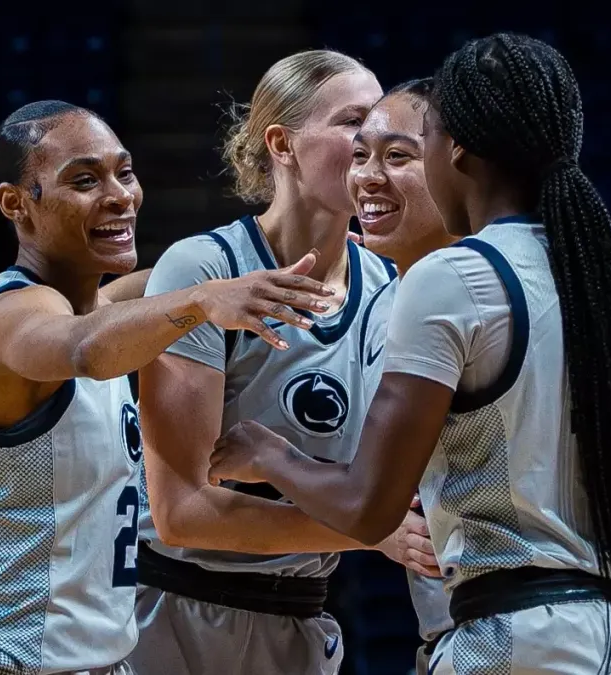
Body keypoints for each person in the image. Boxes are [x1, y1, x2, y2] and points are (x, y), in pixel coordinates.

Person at [208, 34, 611, 675]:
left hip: (513, 641)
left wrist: (266, 451)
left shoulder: (451, 279)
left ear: (455, 149)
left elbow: (369, 506)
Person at [0, 100, 332, 675]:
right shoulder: (10, 314)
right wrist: (203, 300)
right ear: (16, 203)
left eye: (124, 172)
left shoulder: (100, 307)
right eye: (84, 179)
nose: (119, 195)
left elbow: (172, 281)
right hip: (7, 662)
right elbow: (85, 349)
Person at [347, 77, 611, 674]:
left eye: (398, 155)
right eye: (359, 154)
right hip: (579, 636)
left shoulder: (518, 280)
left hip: (508, 635)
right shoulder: (370, 306)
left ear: (456, 158)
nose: (367, 175)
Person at [128, 50, 435, 675]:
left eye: (381, 124)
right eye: (353, 122)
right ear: (282, 144)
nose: (371, 139)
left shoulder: (398, 289)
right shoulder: (204, 270)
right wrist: (367, 531)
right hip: (174, 615)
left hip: (303, 615)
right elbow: (181, 512)